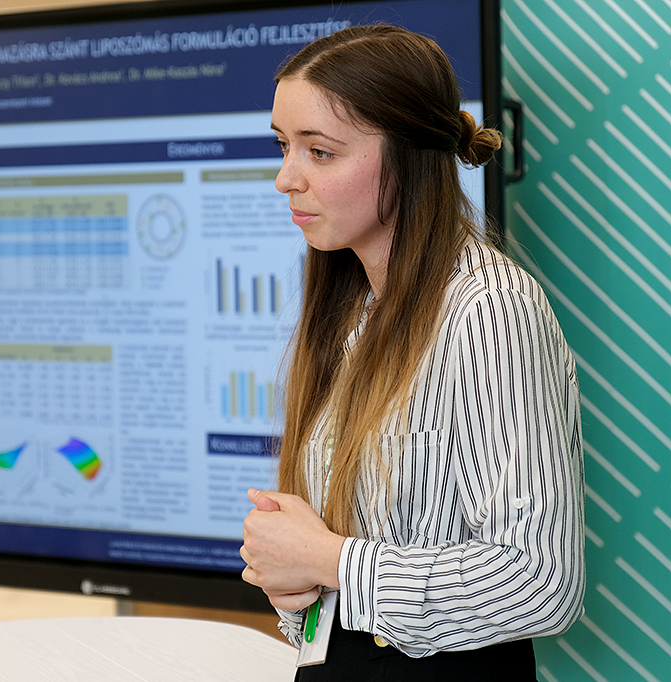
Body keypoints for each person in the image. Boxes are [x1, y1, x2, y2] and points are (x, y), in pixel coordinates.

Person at [239, 24, 585, 681]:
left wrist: (328, 561)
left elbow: (541, 581)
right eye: (284, 147)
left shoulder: (489, 311)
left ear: (406, 155)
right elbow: (347, 569)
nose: (286, 178)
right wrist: (295, 589)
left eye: (320, 152)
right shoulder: (347, 305)